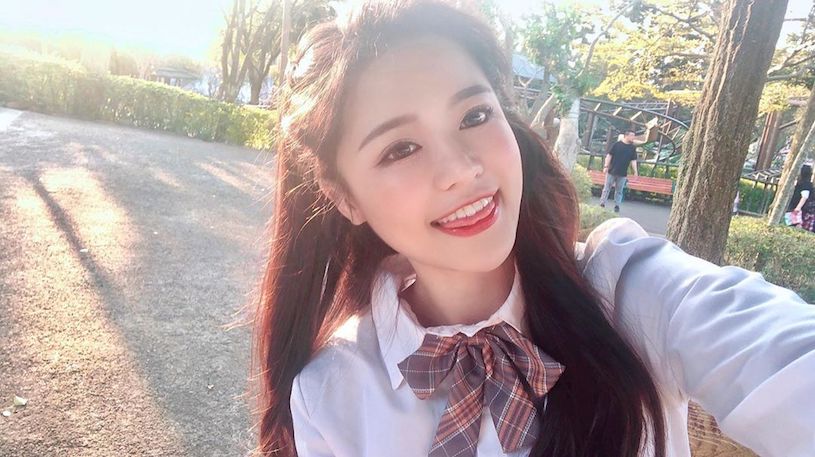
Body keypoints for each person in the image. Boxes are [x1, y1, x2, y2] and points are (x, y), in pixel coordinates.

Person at [253, 2, 815, 456]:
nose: (462, 170)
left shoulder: (634, 295)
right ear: (344, 196)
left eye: (474, 116)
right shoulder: (332, 391)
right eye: (401, 148)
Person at [599, 130, 639, 213]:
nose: (633, 137)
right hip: (612, 171)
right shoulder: (617, 145)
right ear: (626, 136)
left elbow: (633, 160)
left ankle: (617, 205)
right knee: (607, 188)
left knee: (619, 190)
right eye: (632, 135)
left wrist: (635, 171)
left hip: (622, 173)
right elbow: (609, 155)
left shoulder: (632, 148)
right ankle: (602, 203)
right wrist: (606, 166)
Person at [787, 164, 814, 232]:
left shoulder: (806, 184)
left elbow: (804, 197)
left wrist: (798, 208)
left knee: (796, 224)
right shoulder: (799, 183)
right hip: (795, 207)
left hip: (801, 209)